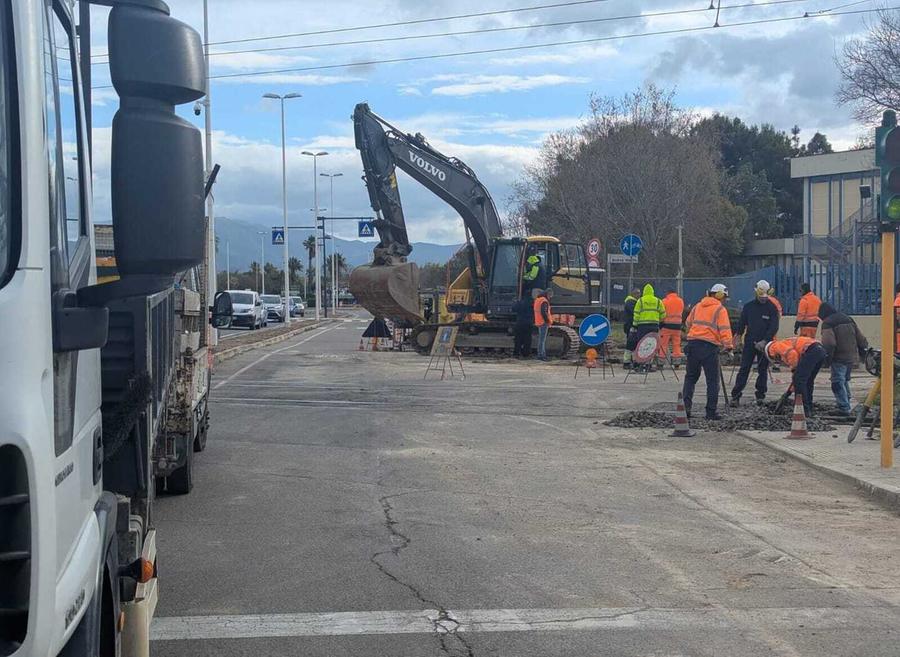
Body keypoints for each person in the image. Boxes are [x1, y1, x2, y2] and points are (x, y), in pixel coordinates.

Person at [682, 284, 733, 421]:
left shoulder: (698, 306)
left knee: (690, 378)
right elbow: (725, 330)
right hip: (709, 347)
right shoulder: (720, 309)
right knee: (712, 381)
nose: (724, 300)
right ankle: (711, 412)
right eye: (724, 297)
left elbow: (688, 323)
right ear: (720, 296)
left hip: (693, 345)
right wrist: (728, 346)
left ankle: (685, 409)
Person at [730, 280, 780, 406]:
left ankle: (760, 395)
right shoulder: (749, 307)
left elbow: (774, 327)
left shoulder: (772, 308)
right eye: (761, 297)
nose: (763, 299)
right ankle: (736, 396)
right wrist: (738, 336)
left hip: (765, 344)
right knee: (744, 369)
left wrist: (765, 341)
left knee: (762, 370)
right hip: (750, 342)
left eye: (765, 297)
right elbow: (742, 323)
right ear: (756, 293)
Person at [819, 302, 868, 416]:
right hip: (851, 356)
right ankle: (846, 402)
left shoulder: (828, 323)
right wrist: (862, 352)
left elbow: (829, 343)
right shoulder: (848, 318)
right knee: (844, 380)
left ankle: (843, 407)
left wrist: (827, 359)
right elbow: (860, 338)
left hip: (838, 357)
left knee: (837, 382)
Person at [758, 336, 827, 417]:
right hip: (820, 350)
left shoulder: (773, 348)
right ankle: (809, 408)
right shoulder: (785, 342)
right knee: (807, 381)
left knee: (799, 381)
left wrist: (795, 371)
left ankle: (803, 410)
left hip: (812, 350)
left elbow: (792, 354)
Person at [628, 284, 665, 372]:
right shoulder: (658, 301)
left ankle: (641, 365)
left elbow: (636, 314)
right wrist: (658, 320)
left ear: (644, 292)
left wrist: (634, 325)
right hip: (654, 326)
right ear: (652, 292)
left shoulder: (640, 301)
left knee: (642, 344)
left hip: (642, 326)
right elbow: (663, 314)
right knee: (652, 344)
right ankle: (649, 365)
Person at [658, 288, 685, 366]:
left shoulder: (664, 301)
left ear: (668, 293)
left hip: (666, 326)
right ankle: (677, 362)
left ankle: (661, 362)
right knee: (676, 344)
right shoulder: (681, 301)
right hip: (677, 326)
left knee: (663, 344)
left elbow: (662, 313)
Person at [622, 288, 640, 370]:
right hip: (631, 326)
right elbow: (635, 313)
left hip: (630, 326)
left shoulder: (631, 302)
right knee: (630, 344)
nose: (639, 295)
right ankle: (627, 362)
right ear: (633, 294)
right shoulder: (631, 302)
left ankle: (631, 361)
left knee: (632, 344)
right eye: (637, 293)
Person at [533, 288, 553, 361]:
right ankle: (541, 355)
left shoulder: (538, 299)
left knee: (541, 339)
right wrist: (547, 321)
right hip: (543, 322)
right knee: (542, 340)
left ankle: (541, 354)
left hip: (538, 321)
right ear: (548, 294)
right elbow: (544, 312)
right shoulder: (544, 301)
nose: (550, 297)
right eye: (550, 296)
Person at [512, 293, 533, 358]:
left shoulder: (520, 302)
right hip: (528, 323)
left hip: (519, 323)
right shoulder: (532, 303)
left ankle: (516, 353)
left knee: (518, 339)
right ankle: (526, 353)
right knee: (527, 339)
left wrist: (515, 302)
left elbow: (514, 309)